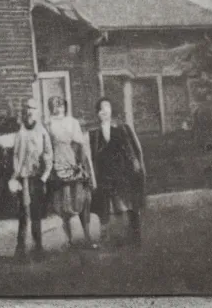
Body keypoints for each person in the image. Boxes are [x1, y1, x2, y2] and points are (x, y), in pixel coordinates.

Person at [89, 97, 146, 246]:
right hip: (105, 173)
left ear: (111, 109)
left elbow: (131, 147)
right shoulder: (95, 133)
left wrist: (135, 162)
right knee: (105, 205)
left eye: (107, 107)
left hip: (123, 170)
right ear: (97, 113)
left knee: (129, 202)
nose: (104, 111)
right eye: (101, 109)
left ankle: (135, 234)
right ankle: (107, 236)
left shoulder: (122, 127)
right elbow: (93, 154)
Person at [46, 96, 97, 250]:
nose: (58, 108)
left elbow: (80, 145)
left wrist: (81, 165)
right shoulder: (48, 124)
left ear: (65, 106)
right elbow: (47, 147)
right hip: (58, 168)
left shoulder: (72, 122)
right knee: (64, 206)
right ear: (50, 108)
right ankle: (70, 240)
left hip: (74, 166)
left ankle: (87, 236)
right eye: (54, 105)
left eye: (60, 104)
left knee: (82, 202)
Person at [11, 98, 53, 260]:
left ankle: (38, 246)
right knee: (23, 212)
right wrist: (16, 174)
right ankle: (20, 247)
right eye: (27, 108)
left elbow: (48, 155)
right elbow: (15, 154)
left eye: (33, 108)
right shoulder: (20, 132)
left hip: (37, 178)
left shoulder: (42, 131)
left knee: (36, 212)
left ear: (37, 111)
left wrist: (45, 175)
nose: (29, 111)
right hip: (23, 177)